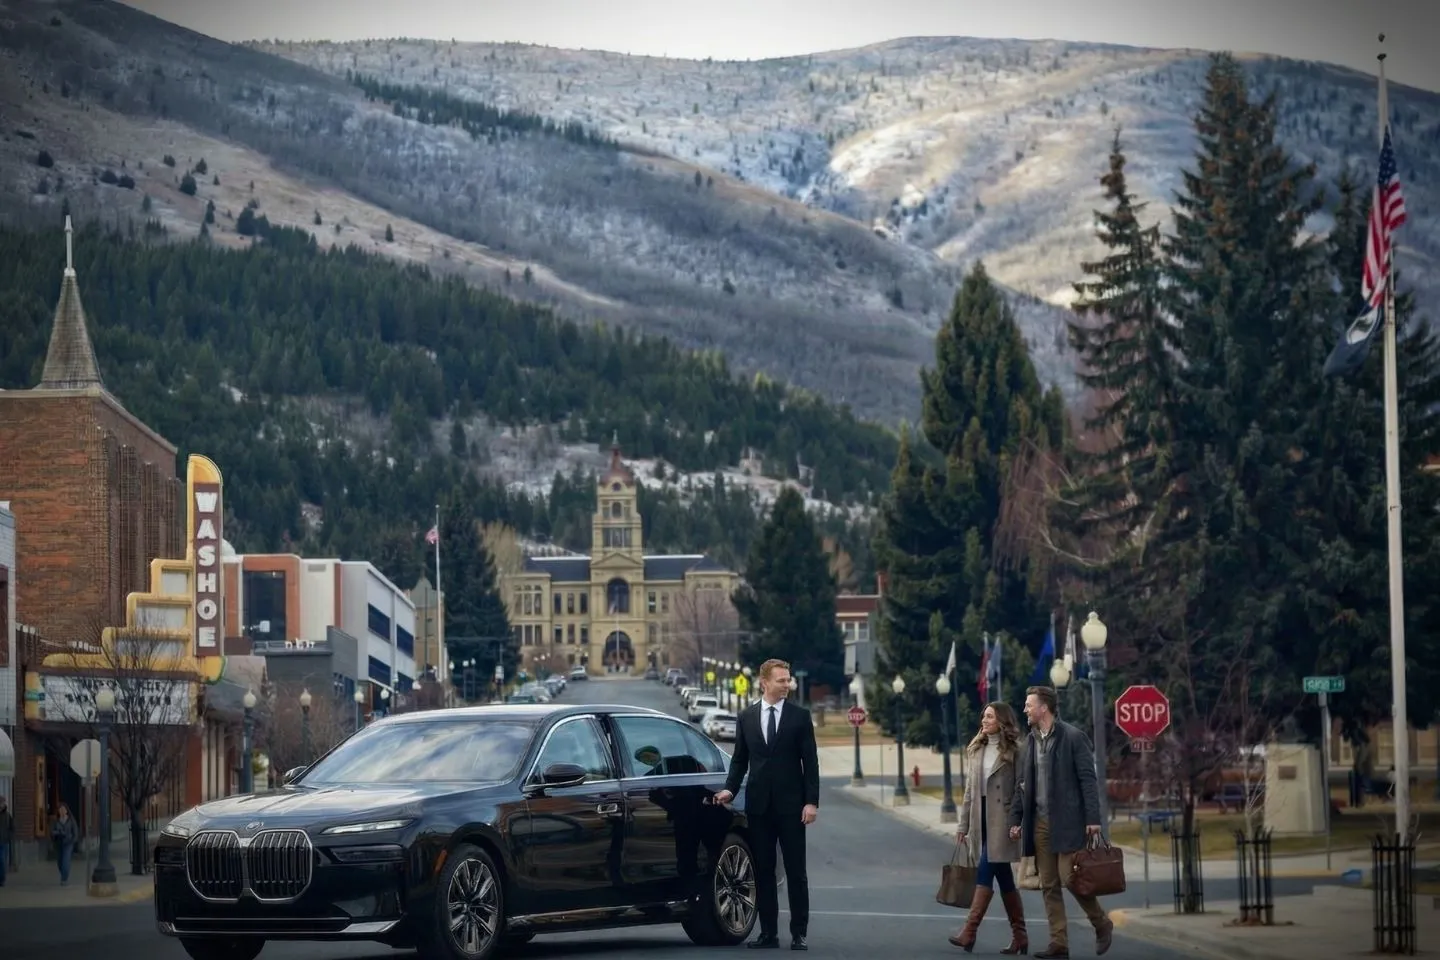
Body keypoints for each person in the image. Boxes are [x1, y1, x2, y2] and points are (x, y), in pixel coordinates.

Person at [713, 659, 819, 950]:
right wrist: (729, 790)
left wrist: (811, 802)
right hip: (759, 807)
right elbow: (739, 760)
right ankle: (768, 933)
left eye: (788, 680)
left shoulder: (799, 717)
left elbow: (810, 763)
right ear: (764, 683)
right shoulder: (746, 717)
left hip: (792, 808)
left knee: (796, 873)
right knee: (763, 871)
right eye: (781, 680)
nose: (787, 685)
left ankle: (799, 933)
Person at [1008, 686, 1113, 958]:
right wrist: (1017, 819)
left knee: (1071, 877)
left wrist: (1093, 818)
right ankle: (1059, 943)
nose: (1025, 709)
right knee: (1049, 883)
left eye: (1029, 704)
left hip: (1067, 821)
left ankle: (1101, 923)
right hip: (1040, 822)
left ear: (1044, 707)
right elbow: (1023, 786)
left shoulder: (1073, 737)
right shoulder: (1028, 742)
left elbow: (1088, 781)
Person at [950, 701, 1027, 954]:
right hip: (979, 817)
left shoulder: (1016, 750)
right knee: (1003, 876)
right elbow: (970, 792)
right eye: (983, 716)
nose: (984, 721)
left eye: (990, 717)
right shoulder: (976, 748)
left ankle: (969, 931)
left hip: (1003, 821)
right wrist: (963, 825)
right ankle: (1020, 936)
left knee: (986, 868)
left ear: (1002, 721)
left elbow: (1020, 789)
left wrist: (1016, 821)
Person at [51, 803, 78, 886]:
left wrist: (73, 840)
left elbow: (75, 832)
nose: (62, 811)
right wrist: (57, 833)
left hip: (68, 843)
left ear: (66, 811)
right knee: (60, 862)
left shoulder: (71, 820)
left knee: (66, 861)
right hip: (59, 843)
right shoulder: (56, 821)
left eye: (63, 809)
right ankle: (63, 873)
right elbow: (52, 832)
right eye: (60, 809)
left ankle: (64, 879)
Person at [0, 796, 13, 887]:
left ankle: (2, 879)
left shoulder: (7, 815)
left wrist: (9, 836)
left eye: (2, 802)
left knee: (2, 860)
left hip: (4, 841)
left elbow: (12, 827)